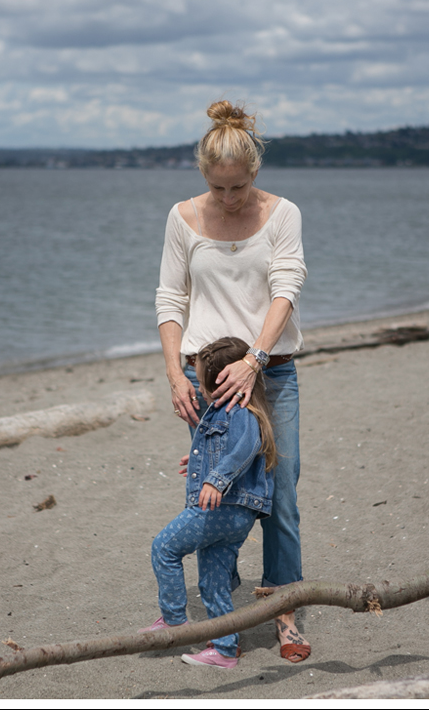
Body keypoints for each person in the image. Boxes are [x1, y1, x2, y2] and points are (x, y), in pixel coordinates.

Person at [154, 100, 310, 663]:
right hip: (204, 376)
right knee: (213, 491)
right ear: (204, 176)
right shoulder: (182, 218)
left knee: (279, 493)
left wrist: (256, 360)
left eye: (238, 187)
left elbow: (286, 287)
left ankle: (284, 609)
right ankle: (223, 609)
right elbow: (171, 298)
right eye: (217, 188)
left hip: (271, 373)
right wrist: (175, 376)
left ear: (254, 172)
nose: (228, 198)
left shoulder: (283, 214)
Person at [140, 337, 277, 668]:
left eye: (201, 382)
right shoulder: (236, 410)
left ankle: (174, 621)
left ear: (219, 383)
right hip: (235, 515)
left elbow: (247, 445)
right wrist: (201, 462)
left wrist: (216, 478)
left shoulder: (238, 410)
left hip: (223, 508)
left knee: (164, 548)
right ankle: (225, 649)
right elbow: (227, 448)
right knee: (213, 583)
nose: (199, 389)